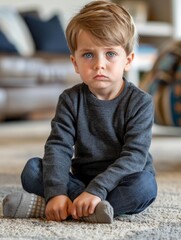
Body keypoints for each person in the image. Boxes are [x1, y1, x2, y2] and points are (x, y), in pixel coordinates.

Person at [3, 0, 157, 224]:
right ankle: (78, 205)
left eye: (110, 54)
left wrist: (97, 190)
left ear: (128, 60)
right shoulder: (70, 99)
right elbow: (58, 147)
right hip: (81, 180)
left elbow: (133, 158)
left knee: (145, 186)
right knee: (33, 169)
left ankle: (58, 207)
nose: (99, 64)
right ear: (75, 63)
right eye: (88, 55)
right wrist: (57, 191)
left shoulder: (141, 102)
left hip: (121, 180)